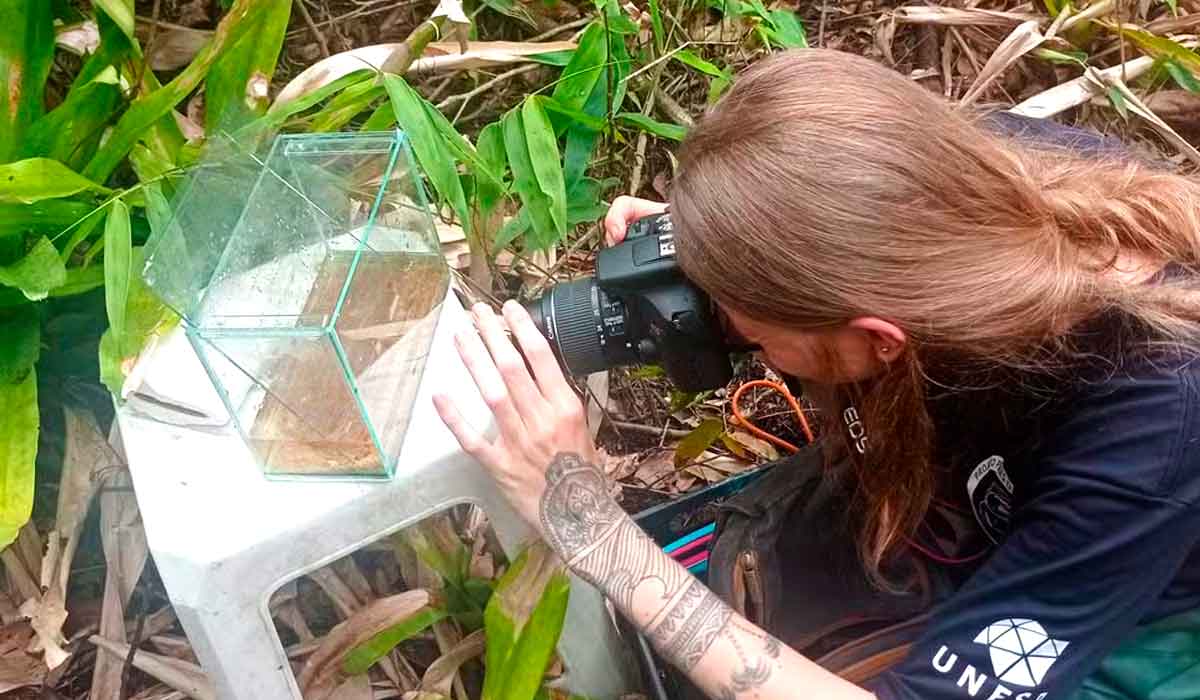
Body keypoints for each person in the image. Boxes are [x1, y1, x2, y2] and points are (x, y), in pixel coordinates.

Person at [432, 48, 1200, 700]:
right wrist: (725, 239)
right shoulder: (964, 183)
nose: (739, 339)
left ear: (880, 339)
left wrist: (592, 529)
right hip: (992, 492)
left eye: (754, 333)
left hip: (1149, 598)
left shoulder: (1148, 431)